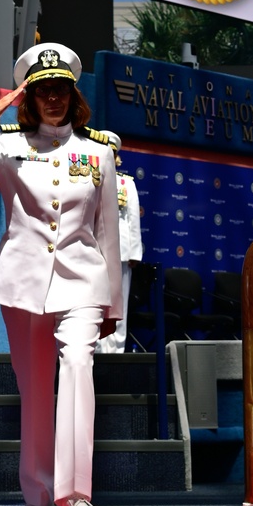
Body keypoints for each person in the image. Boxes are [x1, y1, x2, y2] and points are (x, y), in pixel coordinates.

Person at [0, 42, 123, 506]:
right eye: (44, 91)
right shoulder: (7, 146)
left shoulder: (98, 152)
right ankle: (37, 492)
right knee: (36, 390)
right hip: (22, 285)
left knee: (78, 365)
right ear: (30, 96)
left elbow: (108, 233)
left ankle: (76, 495)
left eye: (62, 90)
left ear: (73, 95)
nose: (54, 99)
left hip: (83, 282)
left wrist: (114, 306)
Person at [96, 130, 142, 354]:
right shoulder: (88, 177)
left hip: (122, 251)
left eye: (111, 154)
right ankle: (93, 348)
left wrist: (135, 252)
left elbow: (133, 217)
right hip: (93, 249)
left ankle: (116, 352)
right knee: (93, 300)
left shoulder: (126, 183)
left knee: (118, 303)